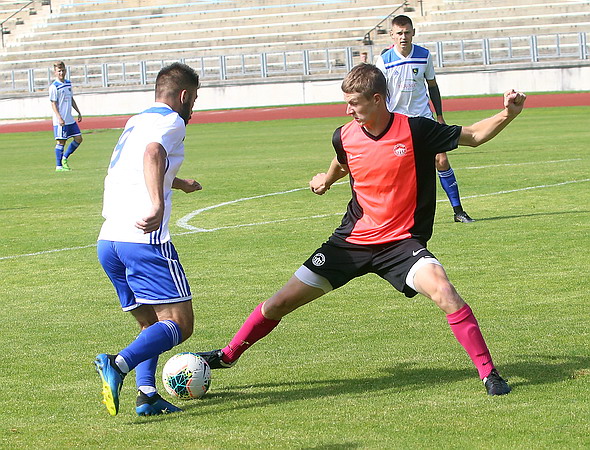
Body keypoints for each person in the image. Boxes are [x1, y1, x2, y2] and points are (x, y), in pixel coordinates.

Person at [197, 64, 526, 396]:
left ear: (377, 99)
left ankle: (489, 374)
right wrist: (326, 180)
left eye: (354, 103)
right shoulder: (343, 135)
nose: (348, 110)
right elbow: (343, 161)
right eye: (347, 102)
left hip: (400, 244)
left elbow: (473, 136)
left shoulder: (416, 130)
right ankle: (227, 356)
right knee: (279, 303)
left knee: (445, 292)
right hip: (350, 242)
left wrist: (507, 114)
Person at [94, 62, 202, 416]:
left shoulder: (136, 121)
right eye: (194, 99)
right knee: (179, 324)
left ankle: (147, 395)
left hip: (109, 240)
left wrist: (177, 182)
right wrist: (157, 203)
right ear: (183, 96)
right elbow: (153, 154)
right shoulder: (172, 122)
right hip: (143, 239)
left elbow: (136, 166)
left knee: (150, 324)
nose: (193, 108)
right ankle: (117, 364)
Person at [376, 15, 474, 223]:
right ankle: (395, 215)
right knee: (397, 169)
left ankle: (458, 211)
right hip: (398, 121)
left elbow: (432, 86)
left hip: (424, 117)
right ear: (392, 35)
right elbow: (380, 93)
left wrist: (439, 116)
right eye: (399, 33)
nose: (403, 37)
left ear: (413, 32)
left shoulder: (424, 55)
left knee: (441, 159)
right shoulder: (384, 61)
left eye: (407, 32)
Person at [49, 61, 83, 172]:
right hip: (61, 119)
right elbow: (53, 103)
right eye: (59, 71)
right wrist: (59, 117)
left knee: (78, 138)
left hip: (69, 118)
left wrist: (78, 111)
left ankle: (65, 157)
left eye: (63, 70)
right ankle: (59, 166)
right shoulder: (54, 87)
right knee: (61, 142)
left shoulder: (68, 83)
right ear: (55, 72)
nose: (61, 73)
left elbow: (71, 99)